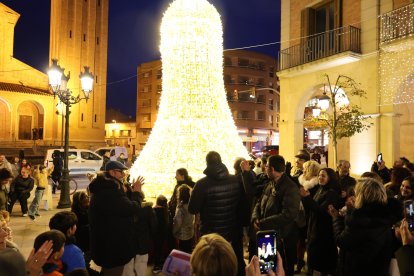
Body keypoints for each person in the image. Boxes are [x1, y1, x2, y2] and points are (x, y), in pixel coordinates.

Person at [188, 151, 246, 276]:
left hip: (211, 235)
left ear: (207, 163)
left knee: (211, 268)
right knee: (232, 264)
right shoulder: (235, 180)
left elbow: (192, 209)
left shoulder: (202, 184)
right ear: (221, 161)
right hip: (232, 231)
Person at [328, 177, 396, 276]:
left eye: (356, 193)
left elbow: (341, 241)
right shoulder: (386, 214)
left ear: (362, 196)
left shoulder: (360, 219)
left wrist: (336, 218)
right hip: (377, 269)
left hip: (356, 269)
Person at [88, 160, 144, 275]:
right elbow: (132, 209)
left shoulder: (105, 188)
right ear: (112, 173)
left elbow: (121, 205)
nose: (123, 175)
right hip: (112, 250)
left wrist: (130, 192)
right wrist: (137, 193)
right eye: (121, 172)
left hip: (106, 245)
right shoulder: (110, 191)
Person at [251, 155, 300, 276]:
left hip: (281, 239)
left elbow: (289, 214)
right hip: (266, 235)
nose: (264, 168)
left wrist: (262, 223)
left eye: (266, 166)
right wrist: (255, 218)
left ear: (272, 169)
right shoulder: (270, 183)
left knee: (280, 270)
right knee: (267, 270)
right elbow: (259, 202)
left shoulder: (290, 187)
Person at [300, 168, 341, 276]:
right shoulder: (320, 189)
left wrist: (307, 198)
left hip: (324, 232)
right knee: (314, 259)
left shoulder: (331, 193)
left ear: (330, 178)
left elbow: (321, 211)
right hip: (314, 229)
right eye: (319, 175)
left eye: (323, 176)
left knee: (321, 262)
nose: (320, 178)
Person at [173, 184, 195, 253]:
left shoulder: (181, 207)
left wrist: (174, 232)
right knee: (188, 251)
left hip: (182, 235)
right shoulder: (191, 205)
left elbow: (177, 222)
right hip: (190, 232)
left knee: (182, 253)